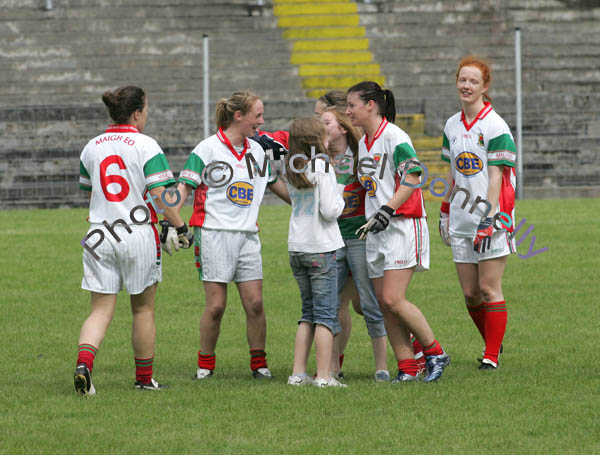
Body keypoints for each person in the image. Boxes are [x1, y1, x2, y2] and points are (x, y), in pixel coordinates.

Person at [75, 85, 190, 394]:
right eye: (147, 110)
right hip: (137, 234)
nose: (147, 115)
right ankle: (144, 380)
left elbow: (89, 190)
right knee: (142, 310)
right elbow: (161, 195)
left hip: (99, 234)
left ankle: (84, 365)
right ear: (137, 112)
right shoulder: (146, 145)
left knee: (99, 310)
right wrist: (180, 227)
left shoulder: (92, 146)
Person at [173, 91, 290, 381]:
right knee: (216, 306)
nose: (261, 122)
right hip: (213, 234)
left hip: (248, 236)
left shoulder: (257, 151)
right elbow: (183, 189)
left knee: (255, 303)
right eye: (257, 116)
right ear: (239, 116)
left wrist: (312, 206)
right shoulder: (207, 149)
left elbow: (278, 187)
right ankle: (205, 365)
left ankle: (259, 364)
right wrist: (173, 222)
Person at [346, 81, 450, 383]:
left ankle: (435, 352)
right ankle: (407, 367)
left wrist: (388, 209)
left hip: (402, 225)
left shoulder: (394, 136)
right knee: (382, 303)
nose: (348, 111)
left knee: (393, 298)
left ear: (370, 105)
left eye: (352, 105)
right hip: (375, 229)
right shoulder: (364, 141)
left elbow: (413, 176)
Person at [439, 56, 517, 370]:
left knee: (488, 288)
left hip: (492, 217)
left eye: (473, 81)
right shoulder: (451, 124)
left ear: (485, 87)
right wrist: (445, 210)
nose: (466, 86)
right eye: (462, 80)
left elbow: (498, 176)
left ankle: (492, 356)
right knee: (471, 293)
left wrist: (488, 217)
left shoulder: (495, 124)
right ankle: (492, 343)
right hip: (460, 217)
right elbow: (452, 173)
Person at [321, 107, 389, 381]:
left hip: (360, 237)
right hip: (332, 240)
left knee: (369, 303)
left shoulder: (362, 155)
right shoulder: (319, 158)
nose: (321, 126)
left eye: (326, 122)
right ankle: (332, 369)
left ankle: (382, 367)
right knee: (333, 304)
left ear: (343, 128)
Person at [285, 118, 347, 388]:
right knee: (325, 314)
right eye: (324, 136)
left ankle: (298, 373)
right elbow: (330, 210)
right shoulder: (322, 165)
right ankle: (323, 376)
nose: (328, 140)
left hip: (297, 246)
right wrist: (342, 195)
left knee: (307, 313)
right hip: (321, 248)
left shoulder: (292, 166)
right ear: (316, 141)